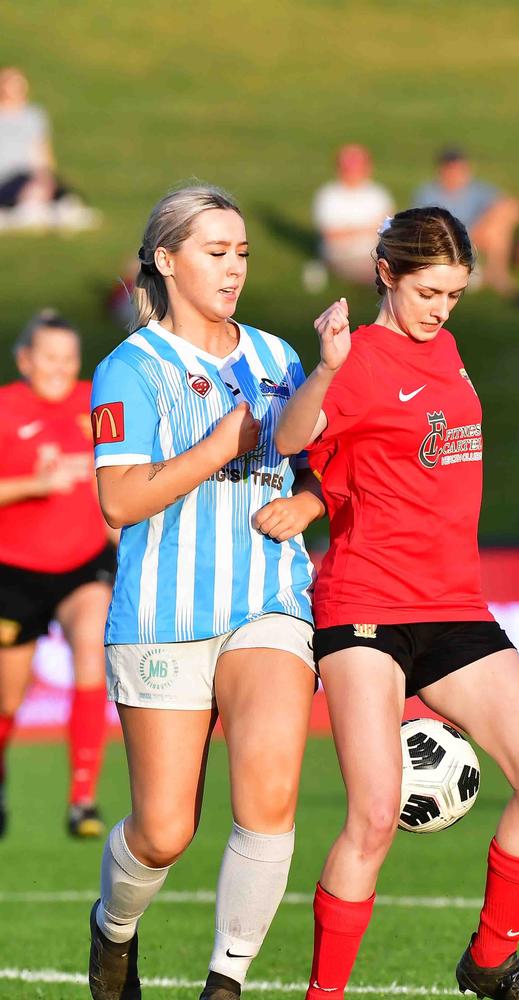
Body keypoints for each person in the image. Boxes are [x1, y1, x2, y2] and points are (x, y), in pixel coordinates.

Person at [275, 207, 519, 1000]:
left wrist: (312, 502)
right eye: (428, 291)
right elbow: (290, 439)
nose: (440, 308)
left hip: (453, 606)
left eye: (454, 294)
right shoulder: (364, 359)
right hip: (364, 606)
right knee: (374, 815)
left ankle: (489, 963)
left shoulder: (445, 347)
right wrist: (328, 369)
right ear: (386, 274)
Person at [87, 185, 325, 1000]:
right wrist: (221, 443)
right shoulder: (131, 367)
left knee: (270, 792)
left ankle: (225, 982)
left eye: (243, 254)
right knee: (163, 831)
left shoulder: (279, 357)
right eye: (216, 253)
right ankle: (113, 929)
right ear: (166, 260)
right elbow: (119, 502)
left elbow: (319, 464)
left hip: (269, 602)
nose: (233, 269)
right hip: (162, 614)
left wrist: (312, 501)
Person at [0, 309, 115, 839]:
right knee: (7, 698)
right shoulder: (5, 409)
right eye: (49, 356)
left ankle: (82, 799)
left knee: (91, 642)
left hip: (82, 564)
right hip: (14, 572)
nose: (60, 367)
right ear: (25, 360)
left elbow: (118, 470)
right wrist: (33, 485)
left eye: (68, 357)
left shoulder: (97, 403)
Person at [0, 66, 99, 230]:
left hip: (29, 173)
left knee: (64, 196)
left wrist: (46, 176)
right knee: (26, 191)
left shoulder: (34, 114)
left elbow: (40, 149)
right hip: (6, 176)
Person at [412, 147, 519, 295]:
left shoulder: (478, 190)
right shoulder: (428, 192)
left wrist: (486, 222)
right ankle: (487, 275)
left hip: (475, 235)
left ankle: (497, 274)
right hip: (445, 241)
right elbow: (421, 226)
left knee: (496, 230)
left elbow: (512, 208)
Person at [311, 144, 394, 285]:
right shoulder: (329, 196)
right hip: (343, 256)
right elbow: (332, 236)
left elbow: (390, 227)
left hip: (378, 253)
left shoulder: (377, 193)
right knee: (383, 277)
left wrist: (352, 230)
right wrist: (370, 228)